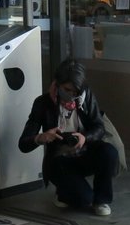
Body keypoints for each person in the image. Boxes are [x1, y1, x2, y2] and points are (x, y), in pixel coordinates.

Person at [19, 59, 118, 216]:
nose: (72, 95)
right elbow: (23, 144)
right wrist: (41, 137)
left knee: (109, 152)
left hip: (84, 152)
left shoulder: (86, 97)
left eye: (76, 91)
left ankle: (101, 200)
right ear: (57, 84)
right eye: (67, 89)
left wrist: (85, 137)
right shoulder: (42, 103)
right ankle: (64, 192)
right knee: (83, 199)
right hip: (59, 160)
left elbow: (99, 128)